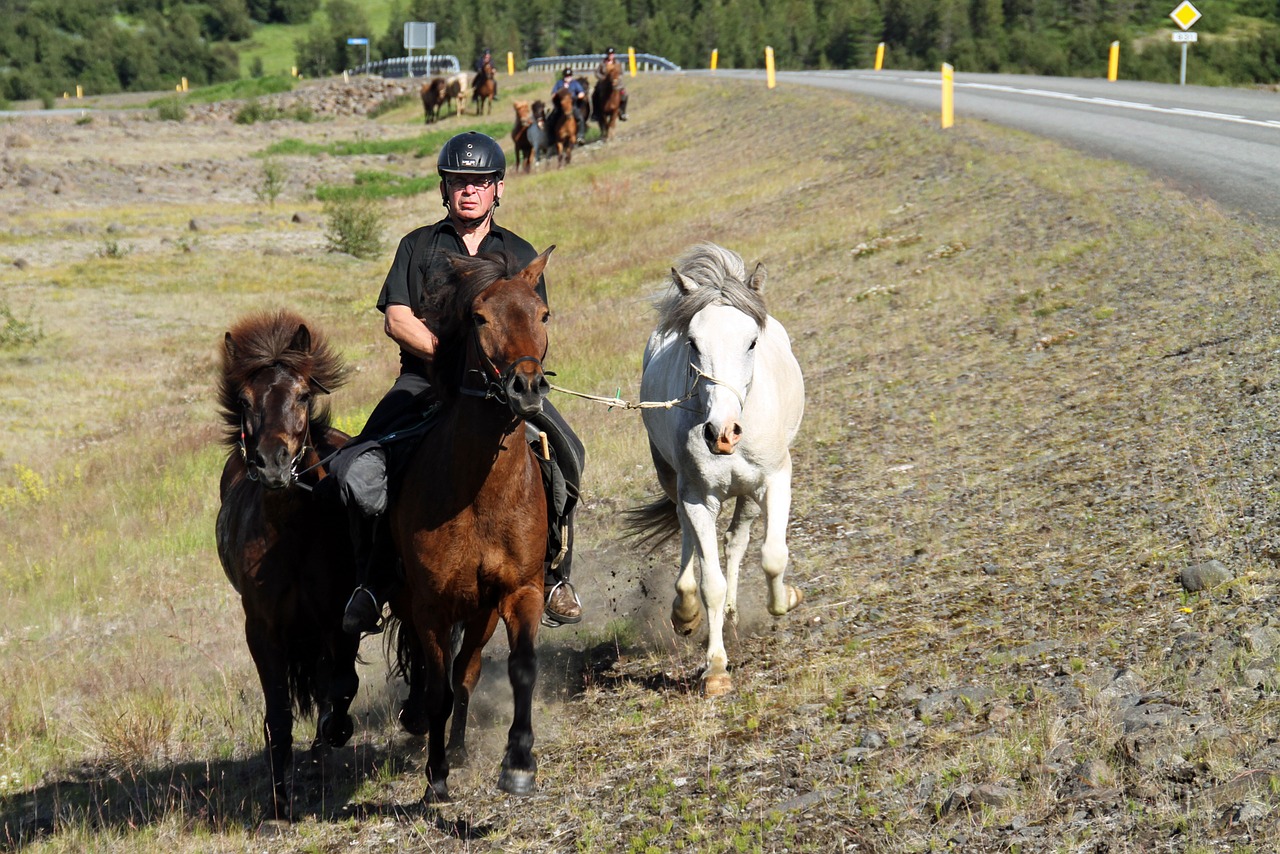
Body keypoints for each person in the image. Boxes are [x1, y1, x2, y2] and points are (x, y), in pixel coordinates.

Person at [331, 131, 585, 635]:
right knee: (354, 470)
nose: (469, 190)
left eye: (480, 181)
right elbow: (397, 318)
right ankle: (372, 581)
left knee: (569, 454)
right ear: (445, 188)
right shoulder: (418, 245)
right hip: (423, 382)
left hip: (503, 389)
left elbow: (534, 323)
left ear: (499, 188)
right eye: (459, 181)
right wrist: (450, 357)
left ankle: (554, 574)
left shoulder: (518, 252)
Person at [551, 67, 588, 144]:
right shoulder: (559, 83)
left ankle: (580, 136)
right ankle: (551, 138)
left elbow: (581, 93)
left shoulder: (575, 83)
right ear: (564, 76)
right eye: (566, 76)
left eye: (569, 76)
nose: (568, 78)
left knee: (580, 118)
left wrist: (576, 97)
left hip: (572, 105)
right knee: (551, 119)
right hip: (560, 107)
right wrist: (558, 96)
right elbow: (553, 94)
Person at [596, 47, 628, 121]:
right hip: (604, 84)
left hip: (616, 84)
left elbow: (621, 73)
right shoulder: (602, 63)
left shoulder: (617, 63)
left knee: (625, 95)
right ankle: (596, 112)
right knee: (595, 94)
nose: (611, 55)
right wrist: (602, 78)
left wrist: (617, 79)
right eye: (609, 54)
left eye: (612, 54)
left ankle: (622, 112)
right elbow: (597, 73)